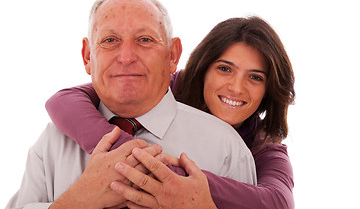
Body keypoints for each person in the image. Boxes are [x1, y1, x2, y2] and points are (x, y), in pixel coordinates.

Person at [6, 0, 256, 209]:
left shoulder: (227, 149)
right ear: (87, 57)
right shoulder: (51, 144)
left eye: (144, 40)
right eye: (110, 40)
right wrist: (77, 202)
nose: (126, 57)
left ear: (173, 55)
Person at [44, 16, 295, 208]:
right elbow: (64, 101)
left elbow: (278, 202)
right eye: (225, 69)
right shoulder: (166, 86)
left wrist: (191, 188)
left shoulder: (264, 146)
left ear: (269, 90)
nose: (236, 87)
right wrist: (129, 153)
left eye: (255, 77)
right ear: (204, 68)